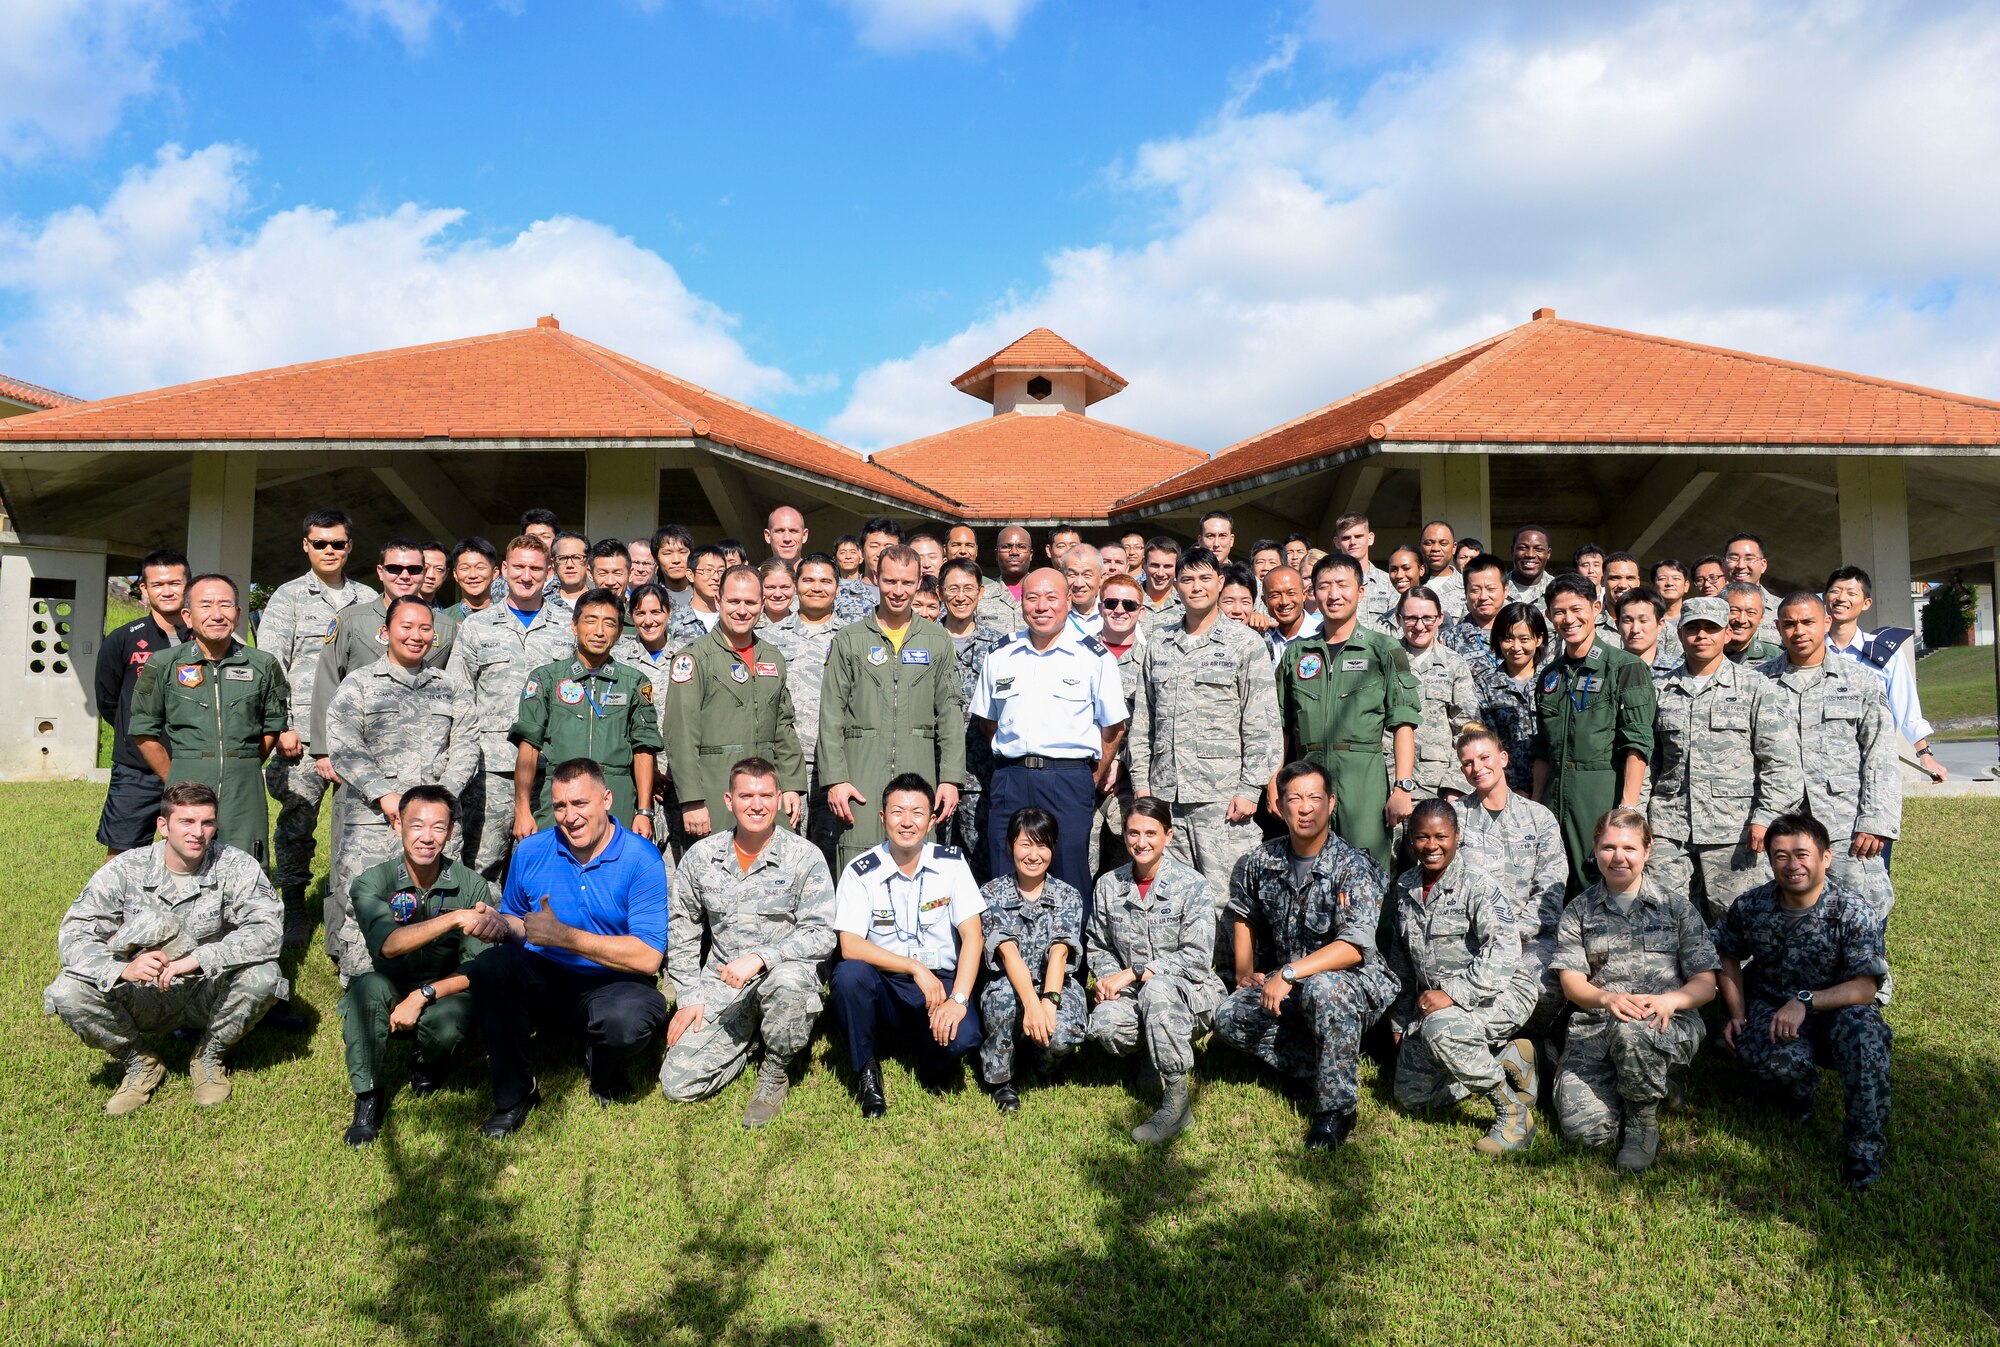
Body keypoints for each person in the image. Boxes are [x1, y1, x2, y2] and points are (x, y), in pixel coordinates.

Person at [44, 781, 285, 1114]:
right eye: (186, 821)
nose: (198, 833)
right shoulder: (126, 868)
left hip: (207, 989)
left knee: (266, 976)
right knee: (67, 990)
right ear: (163, 826)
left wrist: (200, 958)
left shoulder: (237, 866)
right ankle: (139, 1062)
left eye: (207, 822)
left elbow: (268, 931)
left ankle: (209, 1057)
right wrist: (122, 969)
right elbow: (74, 934)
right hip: (142, 993)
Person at [464, 759, 670, 1134]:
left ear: (606, 799)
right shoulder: (530, 852)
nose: (569, 816)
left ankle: (602, 1063)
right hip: (548, 977)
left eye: (580, 804)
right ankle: (515, 1093)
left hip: (615, 980)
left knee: (625, 1022)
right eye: (560, 806)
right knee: (489, 968)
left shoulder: (642, 858)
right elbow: (518, 920)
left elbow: (648, 956)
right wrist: (499, 924)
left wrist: (564, 936)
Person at [1216, 761, 1399, 1151]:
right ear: (1278, 806)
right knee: (1229, 1016)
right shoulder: (1261, 861)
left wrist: (1288, 972)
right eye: (1294, 798)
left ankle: (1336, 1111)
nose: (1305, 808)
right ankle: (1319, 1063)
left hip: (1354, 981)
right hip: (1293, 982)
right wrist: (1245, 972)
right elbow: (1243, 914)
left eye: (1314, 798)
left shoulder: (1353, 867)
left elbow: (1353, 947)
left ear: (1331, 804)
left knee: (1325, 990)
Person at [1714, 813, 1893, 1190]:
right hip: (1771, 1006)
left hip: (1839, 1010)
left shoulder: (1852, 910)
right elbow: (1726, 953)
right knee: (1779, 1063)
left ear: (1825, 858)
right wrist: (1737, 1014)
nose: (1792, 865)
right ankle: (1799, 1093)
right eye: (1780, 856)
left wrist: (1806, 1001)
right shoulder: (1752, 906)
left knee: (1865, 1035)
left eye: (1802, 854)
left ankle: (1864, 1150)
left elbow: (1865, 987)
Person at [660, 757, 837, 1127]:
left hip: (783, 978)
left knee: (788, 983)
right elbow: (683, 930)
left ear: (778, 799)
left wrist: (761, 957)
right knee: (677, 1084)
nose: (756, 805)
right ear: (729, 800)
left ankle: (775, 1070)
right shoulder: (702, 858)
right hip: (723, 986)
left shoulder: (804, 858)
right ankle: (753, 1040)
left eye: (765, 795)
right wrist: (690, 997)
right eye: (746, 796)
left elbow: (822, 933)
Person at [1551, 809, 1718, 1173]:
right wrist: (1607, 998)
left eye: (1629, 847)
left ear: (1648, 850)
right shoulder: (1579, 911)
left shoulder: (1677, 909)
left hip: (1666, 1023)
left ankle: (1642, 1123)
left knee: (1633, 1031)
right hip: (1596, 1026)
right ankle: (1652, 1082)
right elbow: (1571, 983)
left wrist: (1670, 1000)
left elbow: (1706, 984)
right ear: (1595, 849)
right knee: (1585, 1133)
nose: (1618, 857)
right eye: (1608, 847)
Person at [324, 597, 481, 983]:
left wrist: (440, 803)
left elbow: (467, 745)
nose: (416, 635)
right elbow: (344, 743)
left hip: (436, 824)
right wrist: (383, 794)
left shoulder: (451, 687)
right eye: (406, 627)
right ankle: (362, 987)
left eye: (425, 628)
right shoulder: (359, 684)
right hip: (377, 821)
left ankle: (431, 985)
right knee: (363, 903)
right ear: (385, 633)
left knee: (435, 902)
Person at [338, 784, 491, 1147]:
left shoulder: (472, 886)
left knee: (452, 1019)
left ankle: (427, 1064)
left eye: (438, 827)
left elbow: (474, 968)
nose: (427, 837)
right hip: (390, 983)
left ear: (451, 831)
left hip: (444, 989)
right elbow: (389, 946)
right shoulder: (372, 882)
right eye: (416, 825)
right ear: (397, 826)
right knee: (365, 990)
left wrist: (423, 995)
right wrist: (453, 920)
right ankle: (368, 1098)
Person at [1127, 545, 1281, 899]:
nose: (1196, 587)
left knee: (1226, 897)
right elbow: (1143, 720)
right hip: (1166, 795)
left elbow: (1262, 722)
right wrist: (1141, 783)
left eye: (1204, 578)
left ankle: (1230, 959)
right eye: (1187, 579)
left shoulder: (1245, 644)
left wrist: (1249, 788)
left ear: (1220, 581)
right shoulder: (1159, 644)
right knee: (1173, 896)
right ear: (1176, 587)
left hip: (1222, 799)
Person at [1383, 800, 1537, 1155]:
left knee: (1441, 1029)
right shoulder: (1405, 886)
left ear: (1457, 836)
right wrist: (1399, 1020)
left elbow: (1503, 951)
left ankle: (1513, 1113)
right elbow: (1401, 960)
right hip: (1437, 1006)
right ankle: (1506, 1059)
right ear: (1411, 840)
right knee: (1412, 1096)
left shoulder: (1478, 885)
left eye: (1441, 836)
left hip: (1499, 992)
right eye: (1422, 837)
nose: (1431, 845)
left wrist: (1452, 993)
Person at [828, 774, 984, 1117]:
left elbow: (973, 935)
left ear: (931, 822)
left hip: (940, 982)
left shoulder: (952, 864)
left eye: (917, 813)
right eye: (897, 812)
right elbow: (850, 944)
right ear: (882, 818)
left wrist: (957, 1001)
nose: (907, 821)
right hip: (885, 984)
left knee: (966, 1036)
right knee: (849, 975)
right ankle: (867, 1070)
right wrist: (913, 966)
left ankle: (929, 1058)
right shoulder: (860, 871)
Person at [969, 568, 1128, 900]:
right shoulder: (1000, 655)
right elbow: (989, 723)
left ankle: (1067, 952)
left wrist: (1090, 778)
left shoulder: (1093, 658)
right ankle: (1006, 951)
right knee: (1004, 870)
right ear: (1022, 603)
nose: (1041, 606)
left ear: (1068, 601)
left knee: (1068, 873)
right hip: (1010, 778)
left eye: (1051, 597)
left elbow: (1113, 729)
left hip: (1068, 779)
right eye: (1032, 597)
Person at [259, 510, 378, 941]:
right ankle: (293, 905)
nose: (329, 550)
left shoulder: (368, 599)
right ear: (305, 546)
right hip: (303, 737)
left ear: (350, 547)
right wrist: (282, 726)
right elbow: (271, 667)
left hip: (356, 736)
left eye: (338, 543)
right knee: (297, 821)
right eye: (320, 543)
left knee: (358, 827)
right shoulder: (288, 598)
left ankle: (350, 907)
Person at [1646, 595, 1801, 922]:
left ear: (1727, 633)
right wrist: (1639, 818)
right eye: (1693, 628)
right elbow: (1649, 762)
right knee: (1662, 921)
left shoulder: (1755, 686)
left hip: (1734, 830)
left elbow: (1781, 763)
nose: (1701, 636)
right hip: (1668, 829)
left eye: (1711, 628)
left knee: (1739, 925)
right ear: (1679, 633)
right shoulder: (1659, 688)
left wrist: (1765, 817)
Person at [1087, 798, 1225, 1145]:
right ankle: (1153, 1055)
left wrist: (1135, 972)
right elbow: (1098, 945)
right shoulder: (1108, 885)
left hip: (1192, 992)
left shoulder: (1191, 885)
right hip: (1137, 994)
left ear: (1169, 835)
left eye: (1151, 832)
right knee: (1103, 1023)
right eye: (1133, 832)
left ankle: (1177, 1106)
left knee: (1157, 990)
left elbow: (1196, 959)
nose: (1141, 841)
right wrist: (1107, 981)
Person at [819, 546, 965, 870]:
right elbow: (831, 714)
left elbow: (951, 714)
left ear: (919, 584)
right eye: (889, 581)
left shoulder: (936, 640)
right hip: (860, 777)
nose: (898, 591)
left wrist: (951, 778)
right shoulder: (849, 640)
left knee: (919, 863)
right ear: (875, 578)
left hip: (920, 771)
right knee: (859, 862)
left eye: (907, 583)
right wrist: (835, 779)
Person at [1272, 552, 1420, 872]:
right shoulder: (1296, 654)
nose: (1334, 594)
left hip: (1363, 779)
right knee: (1308, 873)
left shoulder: (1385, 649)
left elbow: (1403, 721)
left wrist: (1402, 787)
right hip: (1307, 779)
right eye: (1324, 586)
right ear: (1313, 592)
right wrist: (1274, 782)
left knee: (1367, 872)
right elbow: (1280, 726)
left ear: (1361, 591)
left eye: (1342, 584)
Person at [1760, 593, 1901, 924]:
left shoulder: (1861, 681)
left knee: (1864, 911)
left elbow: (1880, 755)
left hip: (1847, 824)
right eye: (1790, 624)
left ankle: (1869, 977)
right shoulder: (1758, 682)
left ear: (1826, 623)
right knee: (1782, 916)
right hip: (1780, 822)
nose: (1799, 631)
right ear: (1778, 628)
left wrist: (1875, 822)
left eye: (1808, 622)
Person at [128, 574, 289, 862]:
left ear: (238, 615)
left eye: (225, 605)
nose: (217, 615)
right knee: (187, 862)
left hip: (245, 784)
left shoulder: (263, 665)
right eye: (206, 606)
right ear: (188, 616)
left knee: (247, 861)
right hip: (186, 777)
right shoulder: (164, 665)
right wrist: (177, 778)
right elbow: (143, 732)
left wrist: (241, 761)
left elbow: (272, 727)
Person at [444, 536, 575, 881]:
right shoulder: (477, 626)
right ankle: (479, 934)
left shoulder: (569, 627)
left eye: (535, 568)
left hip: (552, 769)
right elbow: (457, 696)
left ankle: (533, 935)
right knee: (481, 864)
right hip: (493, 769)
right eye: (518, 567)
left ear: (549, 573)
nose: (526, 575)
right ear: (504, 570)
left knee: (547, 868)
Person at [1531, 575, 1656, 894]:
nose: (1568, 619)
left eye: (1576, 609)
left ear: (1597, 608)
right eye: (1559, 612)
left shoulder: (1624, 667)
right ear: (1549, 616)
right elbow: (1543, 749)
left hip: (1601, 791)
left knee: (1600, 882)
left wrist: (1627, 809)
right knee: (1552, 884)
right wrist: (1534, 807)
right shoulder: (1549, 676)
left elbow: (1637, 743)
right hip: (1554, 796)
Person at [662, 566, 806, 842]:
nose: (742, 610)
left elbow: (784, 728)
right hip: (715, 793)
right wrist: (692, 800)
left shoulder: (772, 658)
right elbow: (680, 734)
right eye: (734, 601)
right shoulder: (694, 659)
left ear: (762, 604)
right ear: (718, 601)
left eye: (751, 602)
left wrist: (791, 786)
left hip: (766, 795)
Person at [511, 589, 661, 839]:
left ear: (620, 632)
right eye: (590, 620)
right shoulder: (546, 679)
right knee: (554, 872)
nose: (599, 631)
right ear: (574, 625)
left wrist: (644, 811)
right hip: (560, 796)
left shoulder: (634, 682)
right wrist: (522, 810)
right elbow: (528, 747)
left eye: (609, 623)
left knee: (614, 873)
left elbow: (643, 749)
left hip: (616, 795)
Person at [1452, 724, 1568, 1041]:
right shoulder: (1453, 819)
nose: (1477, 768)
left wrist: (1509, 934)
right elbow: (1446, 886)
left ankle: (1526, 1043)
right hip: (1469, 935)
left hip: (1528, 938)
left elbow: (1551, 890)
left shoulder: (1539, 818)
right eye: (1467, 763)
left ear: (1503, 758)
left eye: (1484, 757)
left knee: (1547, 983)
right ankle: (1480, 1043)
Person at [308, 539, 459, 764]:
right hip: (359, 751)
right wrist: (323, 750)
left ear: (423, 572)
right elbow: (327, 682)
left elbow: (456, 694)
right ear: (380, 571)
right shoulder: (351, 620)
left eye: (414, 569)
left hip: (424, 755)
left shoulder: (446, 628)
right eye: (395, 569)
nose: (404, 576)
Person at [977, 806, 1087, 1114]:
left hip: (1054, 985)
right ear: (1011, 844)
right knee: (1003, 1003)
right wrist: (1031, 1002)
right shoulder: (991, 893)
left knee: (1063, 1033)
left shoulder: (1068, 895)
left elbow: (1060, 951)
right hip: (1010, 984)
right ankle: (1001, 1079)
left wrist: (1048, 1002)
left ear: (1053, 848)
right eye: (1025, 843)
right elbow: (1007, 951)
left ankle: (1043, 1064)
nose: (1033, 854)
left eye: (1042, 844)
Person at [95, 549, 190, 860]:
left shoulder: (206, 639)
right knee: (123, 854)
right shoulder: (122, 640)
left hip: (194, 764)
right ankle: (117, 910)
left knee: (194, 849)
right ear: (144, 589)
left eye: (175, 583)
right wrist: (140, 738)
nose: (167, 591)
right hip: (136, 768)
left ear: (187, 585)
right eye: (158, 584)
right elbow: (108, 701)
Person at [1825, 565, 1945, 791]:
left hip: (1872, 761)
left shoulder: (1884, 653)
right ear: (1825, 598)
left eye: (1851, 593)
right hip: (1821, 762)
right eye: (1835, 591)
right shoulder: (1809, 649)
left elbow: (1906, 707)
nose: (1842, 598)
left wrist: (1925, 756)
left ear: (1866, 603)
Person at [761, 553, 842, 858]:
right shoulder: (766, 638)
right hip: (782, 765)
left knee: (828, 856)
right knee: (781, 853)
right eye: (808, 580)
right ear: (796, 585)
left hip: (833, 767)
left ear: (837, 587)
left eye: (825, 581)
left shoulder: (852, 639)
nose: (816, 587)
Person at [940, 558, 1009, 875]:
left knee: (981, 860)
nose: (960, 596)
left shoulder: (1000, 645)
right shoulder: (924, 639)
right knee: (933, 861)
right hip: (933, 770)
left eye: (968, 588)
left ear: (981, 592)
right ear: (941, 592)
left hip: (982, 774)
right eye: (953, 588)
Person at [1395, 587, 1479, 801]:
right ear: (1399, 619)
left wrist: (1455, 786)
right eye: (1411, 618)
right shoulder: (1385, 660)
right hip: (1390, 782)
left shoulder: (1454, 664)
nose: (1420, 626)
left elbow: (1467, 729)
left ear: (1441, 618)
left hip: (1438, 786)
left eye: (1428, 618)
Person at [1481, 601, 1547, 796]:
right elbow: (1488, 741)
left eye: (1524, 639)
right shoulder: (1485, 685)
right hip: (1505, 789)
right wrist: (1513, 786)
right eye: (1508, 639)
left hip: (1552, 786)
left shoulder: (1553, 679)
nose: (1516, 647)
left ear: (1539, 639)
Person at [1329, 513, 1397, 630]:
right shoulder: (1329, 583)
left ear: (1370, 538)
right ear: (1337, 542)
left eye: (1358, 536)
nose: (1352, 542)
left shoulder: (1389, 583)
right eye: (1346, 538)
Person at [1724, 533, 1783, 641]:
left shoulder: (1782, 610)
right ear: (1723, 564)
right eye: (1733, 558)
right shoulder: (1707, 608)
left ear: (1763, 565)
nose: (1741, 566)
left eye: (1749, 558)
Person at [667, 545, 727, 650]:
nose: (716, 577)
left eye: (721, 571)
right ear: (690, 575)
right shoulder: (673, 621)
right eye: (708, 570)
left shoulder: (731, 618)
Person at [1261, 565, 1322, 669]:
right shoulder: (1261, 636)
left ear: (1304, 594)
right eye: (1275, 595)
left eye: (1291, 593)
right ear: (1264, 601)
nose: (1284, 602)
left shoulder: (1322, 633)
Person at [979, 525, 1034, 632]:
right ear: (996, 554)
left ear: (1031, 554)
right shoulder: (980, 596)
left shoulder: (1045, 595)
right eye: (1006, 546)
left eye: (1022, 547)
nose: (1014, 552)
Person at [1614, 585, 1680, 675]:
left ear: (1660, 624)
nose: (1635, 629)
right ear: (1618, 625)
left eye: (1643, 621)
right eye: (1627, 621)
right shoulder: (1607, 669)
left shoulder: (1680, 669)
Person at [1723, 581, 1781, 666]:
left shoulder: (1776, 658)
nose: (1741, 620)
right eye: (1734, 611)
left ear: (1761, 618)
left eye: (1750, 612)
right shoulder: (1702, 652)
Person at [1418, 521, 1466, 618]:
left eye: (1443, 543)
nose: (1435, 548)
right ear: (1420, 546)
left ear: (1454, 548)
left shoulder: (1468, 587)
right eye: (1428, 543)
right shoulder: (1408, 584)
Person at [1060, 543, 1106, 636]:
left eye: (1087, 575)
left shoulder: (1114, 612)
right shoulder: (1053, 613)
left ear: (1101, 578)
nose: (1079, 584)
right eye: (1072, 575)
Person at [447, 538, 499, 618]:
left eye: (480, 567)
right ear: (455, 574)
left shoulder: (509, 616)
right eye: (465, 568)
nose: (473, 575)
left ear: (495, 573)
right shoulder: (444, 619)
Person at [1140, 537, 1184, 627]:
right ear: (1144, 564)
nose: (1160, 573)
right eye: (1155, 565)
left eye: (1167, 566)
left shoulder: (1187, 604)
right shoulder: (1126, 599)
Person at [1506, 526, 1554, 606]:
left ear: (1548, 553)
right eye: (1523, 548)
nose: (1530, 555)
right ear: (1512, 551)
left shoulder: (1559, 590)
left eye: (1538, 549)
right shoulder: (1494, 589)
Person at [654, 524, 696, 613]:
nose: (676, 560)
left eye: (682, 552)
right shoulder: (651, 599)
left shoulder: (708, 597)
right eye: (667, 553)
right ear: (656, 559)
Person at [549, 531, 592, 606]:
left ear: (588, 562)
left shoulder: (602, 602)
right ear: (553, 564)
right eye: (562, 558)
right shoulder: (540, 603)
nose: (569, 565)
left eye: (576, 557)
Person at [1652, 559, 1689, 629]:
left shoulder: (1695, 618)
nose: (1669, 583)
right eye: (1662, 578)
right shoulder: (1645, 620)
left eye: (1676, 578)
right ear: (1652, 586)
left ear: (1686, 586)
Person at [758, 559, 796, 625]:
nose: (777, 594)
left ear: (795, 587)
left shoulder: (806, 625)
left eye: (785, 587)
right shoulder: (747, 627)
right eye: (770, 587)